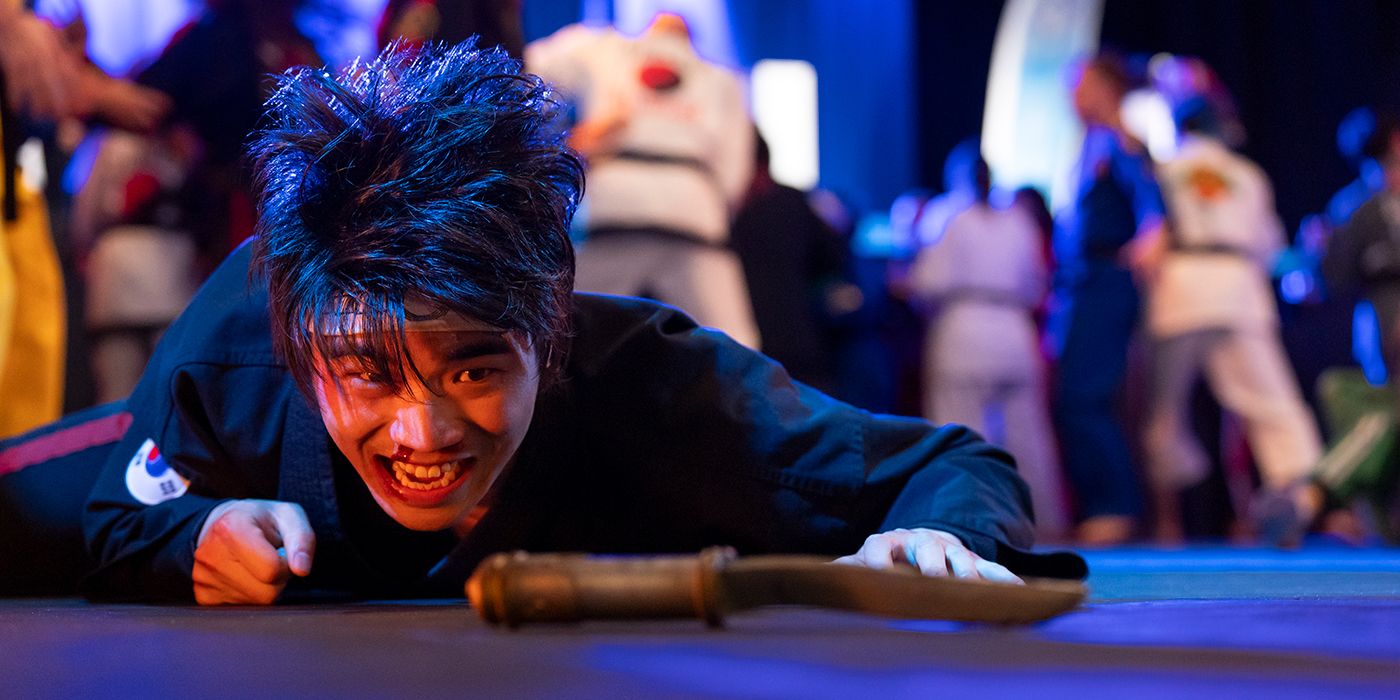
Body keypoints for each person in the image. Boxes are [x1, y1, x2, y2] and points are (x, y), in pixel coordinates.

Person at [80, 41, 1082, 605]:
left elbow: (956, 465)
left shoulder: (659, 387)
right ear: (298, 348)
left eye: (471, 370)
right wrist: (193, 530)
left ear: (548, 329)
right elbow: (113, 516)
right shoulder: (230, 347)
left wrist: (932, 537)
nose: (422, 436)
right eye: (370, 374)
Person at [1135, 93, 1324, 543]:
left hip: (1180, 286)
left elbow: (1148, 240)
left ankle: (1171, 520)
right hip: (1239, 286)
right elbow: (1271, 247)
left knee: (1163, 411)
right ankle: (1297, 493)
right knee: (1272, 403)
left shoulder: (1164, 170)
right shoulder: (1246, 173)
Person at [525, 13, 760, 348]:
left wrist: (560, 144)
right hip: (692, 211)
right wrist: (717, 207)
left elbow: (525, 69)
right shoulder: (720, 78)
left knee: (571, 333)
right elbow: (734, 166)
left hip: (612, 204)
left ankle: (556, 392)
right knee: (731, 345)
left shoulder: (601, 46)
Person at [909, 156, 1067, 541]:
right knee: (1028, 436)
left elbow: (927, 281)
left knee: (960, 431)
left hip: (963, 326)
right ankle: (1043, 522)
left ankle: (966, 521)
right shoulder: (1019, 221)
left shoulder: (948, 215)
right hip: (1014, 328)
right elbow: (1037, 282)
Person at [1051, 53, 1164, 544]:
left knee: (1087, 395)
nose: (1071, 98)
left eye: (1079, 86)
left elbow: (1153, 206)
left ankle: (1115, 506)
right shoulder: (1089, 145)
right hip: (1080, 284)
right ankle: (1106, 504)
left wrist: (1151, 244)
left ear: (1104, 87)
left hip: (1105, 281)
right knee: (1075, 395)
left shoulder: (1121, 141)